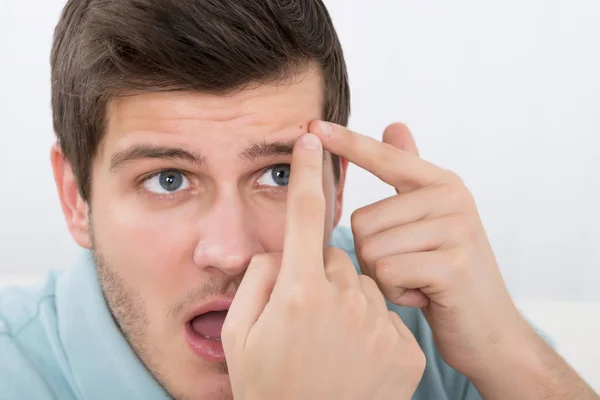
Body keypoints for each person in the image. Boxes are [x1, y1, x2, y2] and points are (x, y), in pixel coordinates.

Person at [0, 0, 597, 399]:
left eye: (280, 174)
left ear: (336, 187)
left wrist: (506, 352)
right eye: (168, 180)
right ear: (77, 197)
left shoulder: (415, 313)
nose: (231, 252)